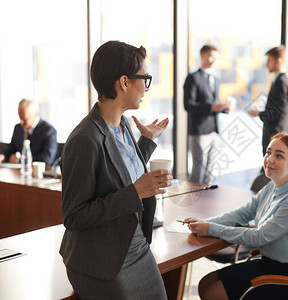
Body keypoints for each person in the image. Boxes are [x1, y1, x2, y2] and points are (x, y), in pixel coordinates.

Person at [59, 40, 171, 300]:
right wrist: (136, 192)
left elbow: (116, 176)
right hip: (101, 261)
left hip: (135, 246)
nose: (146, 86)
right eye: (145, 78)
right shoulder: (84, 140)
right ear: (124, 82)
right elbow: (74, 216)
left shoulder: (123, 125)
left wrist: (147, 142)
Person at [184, 133, 288, 300]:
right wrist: (205, 223)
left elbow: (259, 236)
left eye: (279, 156)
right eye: (268, 152)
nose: (269, 159)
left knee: (212, 292)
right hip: (269, 263)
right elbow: (243, 213)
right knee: (206, 283)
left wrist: (211, 229)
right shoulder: (273, 186)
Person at [184, 44, 230, 184]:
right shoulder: (193, 78)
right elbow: (188, 105)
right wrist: (212, 107)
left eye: (215, 58)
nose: (213, 60)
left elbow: (213, 105)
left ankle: (206, 202)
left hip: (214, 131)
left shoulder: (215, 79)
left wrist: (224, 108)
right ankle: (192, 202)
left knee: (210, 172)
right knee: (198, 171)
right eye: (210, 56)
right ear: (202, 55)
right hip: (199, 132)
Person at [248, 46, 288, 156]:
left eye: (269, 60)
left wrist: (258, 113)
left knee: (270, 170)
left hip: (276, 138)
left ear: (278, 61)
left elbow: (278, 113)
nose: (266, 64)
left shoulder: (280, 82)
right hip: (278, 137)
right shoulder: (282, 81)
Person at [0, 98, 58, 166]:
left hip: (44, 174)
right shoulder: (18, 128)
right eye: (20, 117)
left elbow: (47, 159)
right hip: (21, 173)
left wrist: (18, 160)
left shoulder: (49, 131)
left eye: (25, 119)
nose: (21, 122)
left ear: (36, 114)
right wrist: (3, 156)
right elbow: (11, 148)